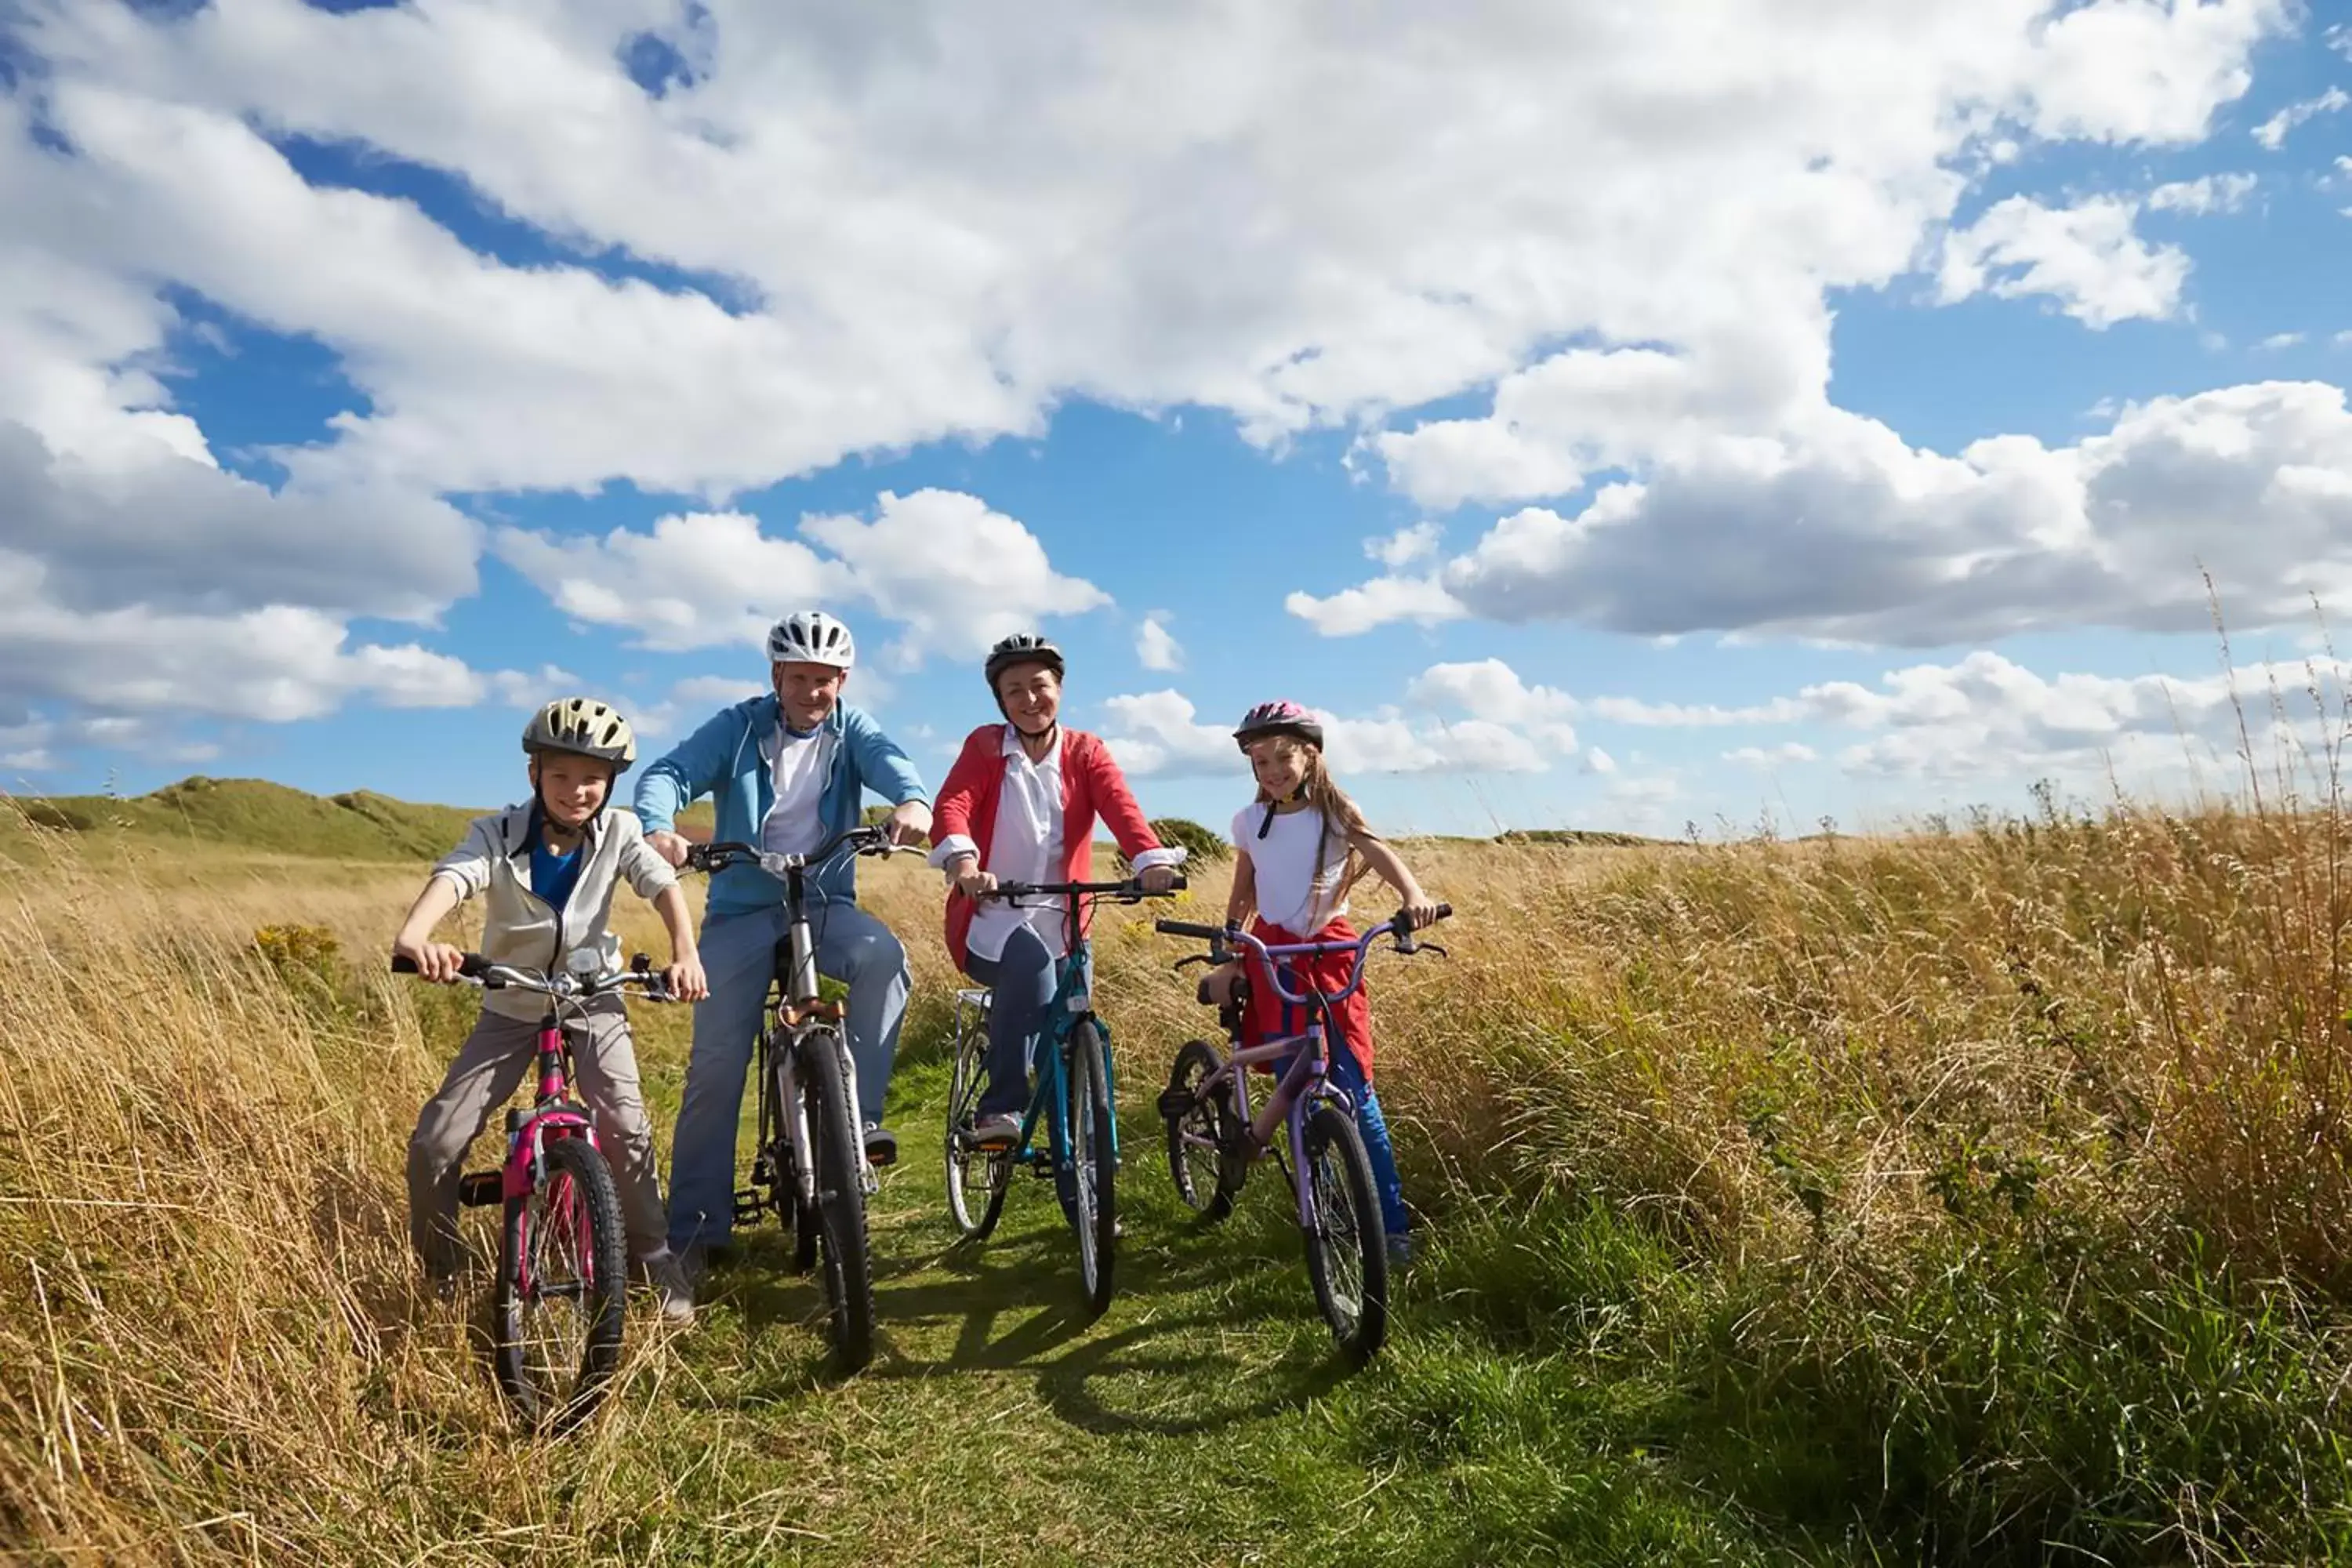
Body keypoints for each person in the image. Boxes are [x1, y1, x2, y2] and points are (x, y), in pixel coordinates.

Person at [635, 610, 932, 1283]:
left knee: (884, 959)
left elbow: (894, 764)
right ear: (777, 676)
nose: (813, 691)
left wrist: (911, 803)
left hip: (827, 904)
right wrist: (659, 827)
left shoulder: (850, 728)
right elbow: (669, 773)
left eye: (826, 680)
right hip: (742, 908)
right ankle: (696, 1232)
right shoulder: (738, 727)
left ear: (843, 679)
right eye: (800, 678)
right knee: (716, 1065)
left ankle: (856, 1129)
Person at [394, 697, 709, 1323]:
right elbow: (456, 877)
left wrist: (685, 952)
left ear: (611, 782)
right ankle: (443, 1274)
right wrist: (414, 937)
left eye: (592, 777)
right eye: (560, 774)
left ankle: (651, 1254)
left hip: (593, 999)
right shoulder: (496, 833)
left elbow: (661, 884)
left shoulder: (619, 831)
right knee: (436, 1141)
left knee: (624, 1125)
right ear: (534, 773)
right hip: (511, 1002)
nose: (577, 790)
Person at [929, 634, 1186, 1150]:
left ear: (1060, 688)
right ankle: (999, 1104)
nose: (1028, 700)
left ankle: (1084, 1185)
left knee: (1068, 1050)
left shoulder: (1086, 752)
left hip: (1067, 920)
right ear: (1000, 701)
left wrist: (1151, 861)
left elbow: (1122, 809)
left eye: (1039, 686)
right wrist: (965, 864)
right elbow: (952, 805)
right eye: (1014, 690)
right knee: (1030, 962)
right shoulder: (985, 746)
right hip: (994, 917)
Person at [1209, 699, 1441, 1266]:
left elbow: (1377, 853)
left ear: (1311, 755)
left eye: (1282, 757)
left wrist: (1412, 897)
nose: (1271, 771)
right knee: (1297, 1084)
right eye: (1260, 762)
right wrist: (1231, 940)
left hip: (1331, 952)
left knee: (1355, 1092)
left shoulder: (1335, 811)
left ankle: (1390, 1227)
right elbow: (1245, 887)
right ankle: (1328, 1209)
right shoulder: (1249, 822)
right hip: (1273, 954)